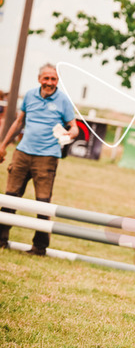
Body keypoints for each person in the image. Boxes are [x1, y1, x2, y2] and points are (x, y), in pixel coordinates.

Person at [0, 63, 78, 255]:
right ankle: (1, 240)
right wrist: (3, 145)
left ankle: (39, 247)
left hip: (47, 157)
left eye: (53, 79)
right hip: (22, 153)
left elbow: (74, 126)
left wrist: (71, 134)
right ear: (39, 79)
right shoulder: (29, 96)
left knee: (43, 203)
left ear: (57, 81)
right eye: (46, 78)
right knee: (10, 198)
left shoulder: (63, 100)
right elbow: (19, 122)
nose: (49, 82)